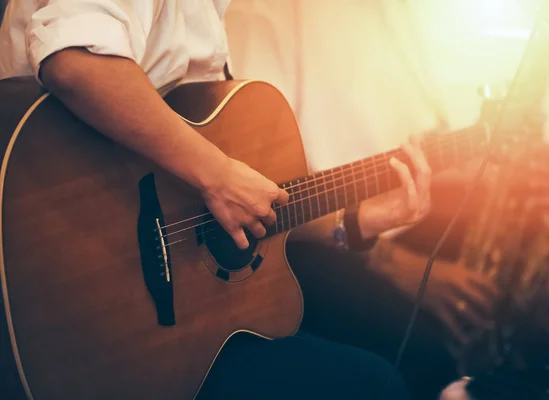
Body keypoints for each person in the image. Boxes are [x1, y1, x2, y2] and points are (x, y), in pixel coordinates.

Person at [0, 1, 434, 398]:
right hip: (76, 300)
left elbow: (232, 211)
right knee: (375, 385)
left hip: (164, 330)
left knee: (392, 349)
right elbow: (74, 61)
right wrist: (218, 174)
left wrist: (357, 222)